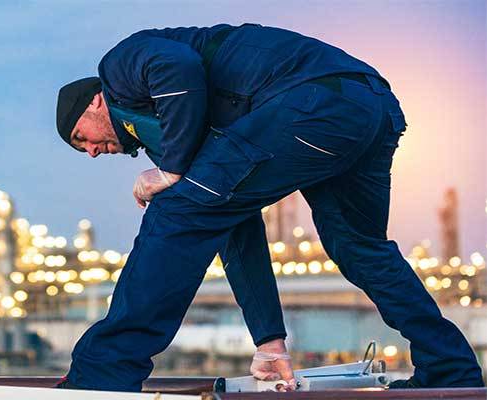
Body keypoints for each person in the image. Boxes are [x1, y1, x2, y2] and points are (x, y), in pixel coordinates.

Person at [53, 23, 484, 392]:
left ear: (94, 102)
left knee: (175, 212)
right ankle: (450, 370)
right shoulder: (176, 131)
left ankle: (101, 377)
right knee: (359, 248)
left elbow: (176, 66)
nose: (91, 152)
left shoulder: (119, 69)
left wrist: (171, 170)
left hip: (313, 102)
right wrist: (269, 339)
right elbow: (234, 224)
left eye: (81, 138)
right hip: (368, 108)